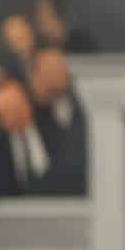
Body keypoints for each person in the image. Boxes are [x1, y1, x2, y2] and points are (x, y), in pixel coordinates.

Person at [27, 46, 88, 196]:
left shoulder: (84, 109)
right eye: (48, 71)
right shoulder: (28, 112)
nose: (54, 76)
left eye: (58, 69)